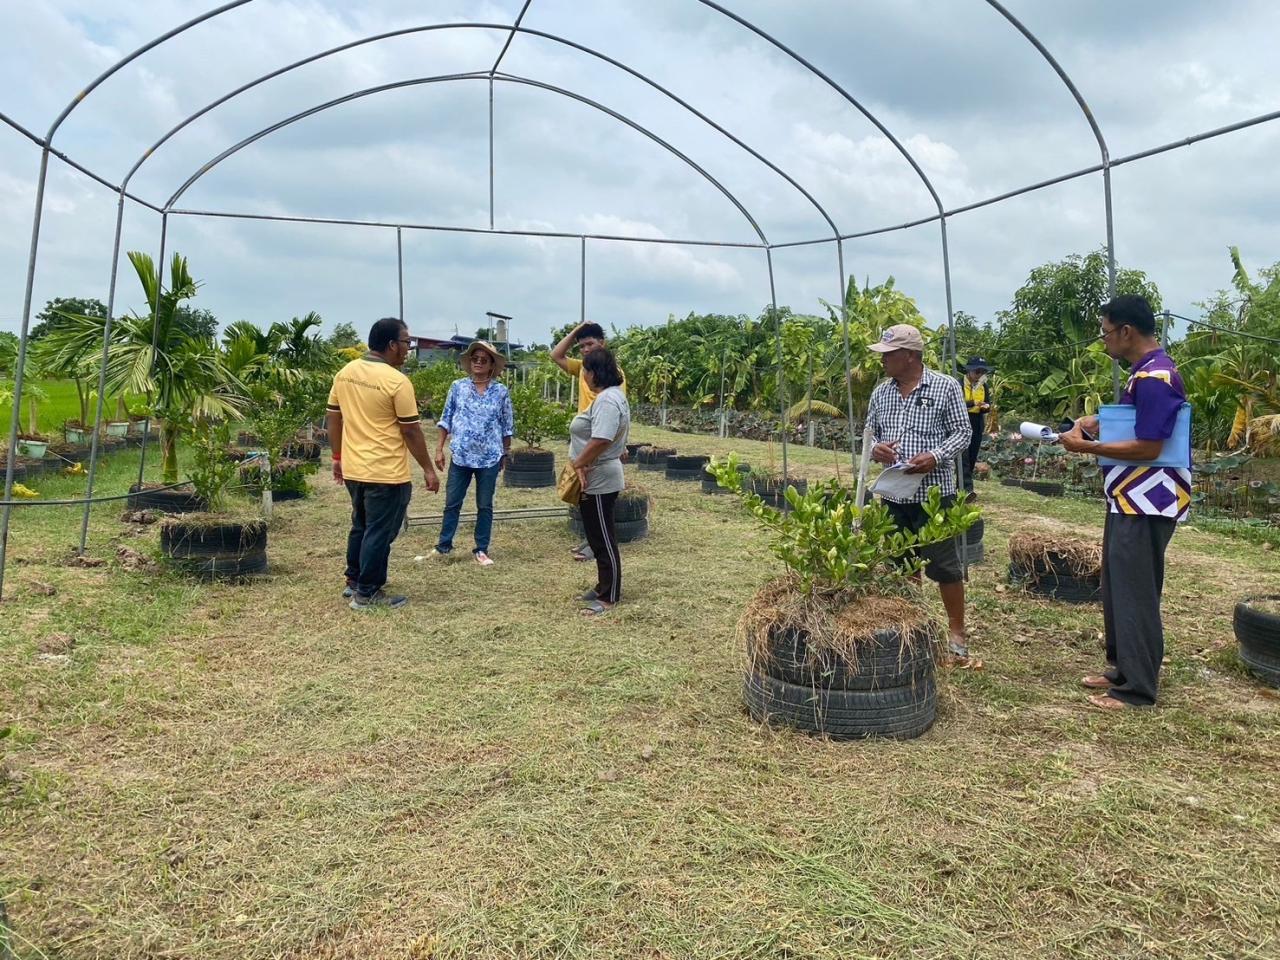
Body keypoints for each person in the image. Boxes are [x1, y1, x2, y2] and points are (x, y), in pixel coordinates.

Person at [1059, 295, 1189, 710]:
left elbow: (1150, 446)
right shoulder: (1144, 374)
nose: (1104, 341)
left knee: (1136, 590)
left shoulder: (1156, 378)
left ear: (1126, 331)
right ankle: (1123, 668)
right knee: (1118, 585)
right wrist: (1096, 420)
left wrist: (1087, 447)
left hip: (1148, 500)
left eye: (1106, 332)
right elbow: (1133, 420)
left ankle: (1138, 689)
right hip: (1128, 498)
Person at [866, 324, 976, 665]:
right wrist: (876, 449)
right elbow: (869, 434)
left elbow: (963, 433)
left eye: (888, 354)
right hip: (894, 492)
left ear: (909, 356)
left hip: (934, 493)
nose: (882, 361)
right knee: (902, 562)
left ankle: (956, 632)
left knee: (944, 565)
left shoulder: (945, 387)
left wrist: (935, 456)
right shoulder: (881, 393)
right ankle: (911, 627)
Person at [327, 317, 440, 609]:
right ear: (391, 345)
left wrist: (337, 457)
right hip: (385, 472)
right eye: (407, 342)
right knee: (379, 530)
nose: (408, 349)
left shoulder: (345, 373)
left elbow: (334, 416)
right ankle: (368, 592)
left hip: (354, 468)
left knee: (361, 525)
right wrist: (428, 468)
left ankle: (354, 581)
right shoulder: (396, 381)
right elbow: (411, 430)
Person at [429, 340, 514, 566]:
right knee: (452, 502)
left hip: (489, 458)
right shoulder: (458, 387)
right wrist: (439, 449)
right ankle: (443, 545)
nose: (478, 362)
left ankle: (481, 549)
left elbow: (507, 425)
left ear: (491, 365)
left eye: (483, 360)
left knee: (484, 505)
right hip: (461, 456)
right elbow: (446, 418)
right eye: (474, 359)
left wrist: (505, 452)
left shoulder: (500, 391)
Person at [551, 321, 628, 562]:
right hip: (584, 435)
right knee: (584, 495)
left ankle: (597, 545)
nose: (585, 349)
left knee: (596, 495)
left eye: (590, 344)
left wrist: (621, 442)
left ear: (602, 344)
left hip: (598, 437)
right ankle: (591, 540)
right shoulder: (582, 368)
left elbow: (617, 415)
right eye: (582, 346)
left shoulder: (613, 381)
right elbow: (555, 355)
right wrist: (576, 331)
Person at [568, 348, 630, 616]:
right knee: (595, 536)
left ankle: (609, 595)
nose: (584, 376)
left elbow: (601, 438)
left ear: (593, 372)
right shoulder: (610, 397)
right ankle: (603, 584)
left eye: (585, 370)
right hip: (596, 476)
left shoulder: (607, 401)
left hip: (601, 476)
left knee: (603, 538)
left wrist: (579, 462)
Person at [960, 356, 992, 499]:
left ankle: (961, 487)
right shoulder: (959, 384)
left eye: (982, 372)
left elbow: (987, 404)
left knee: (972, 456)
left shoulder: (983, 386)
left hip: (977, 421)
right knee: (963, 456)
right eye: (977, 372)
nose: (979, 375)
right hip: (962, 421)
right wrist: (973, 403)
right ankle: (967, 489)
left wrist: (985, 407)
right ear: (969, 371)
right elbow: (956, 404)